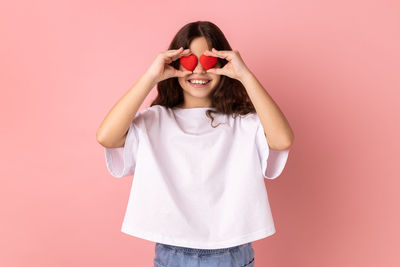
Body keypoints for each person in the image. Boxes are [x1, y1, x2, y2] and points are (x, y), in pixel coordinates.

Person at [97, 21, 294, 267]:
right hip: (172, 252)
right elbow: (107, 137)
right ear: (173, 65)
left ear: (224, 65)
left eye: (210, 62)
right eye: (189, 62)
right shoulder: (154, 120)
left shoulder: (243, 123)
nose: (199, 71)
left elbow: (282, 139)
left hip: (232, 252)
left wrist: (245, 75)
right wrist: (150, 77)